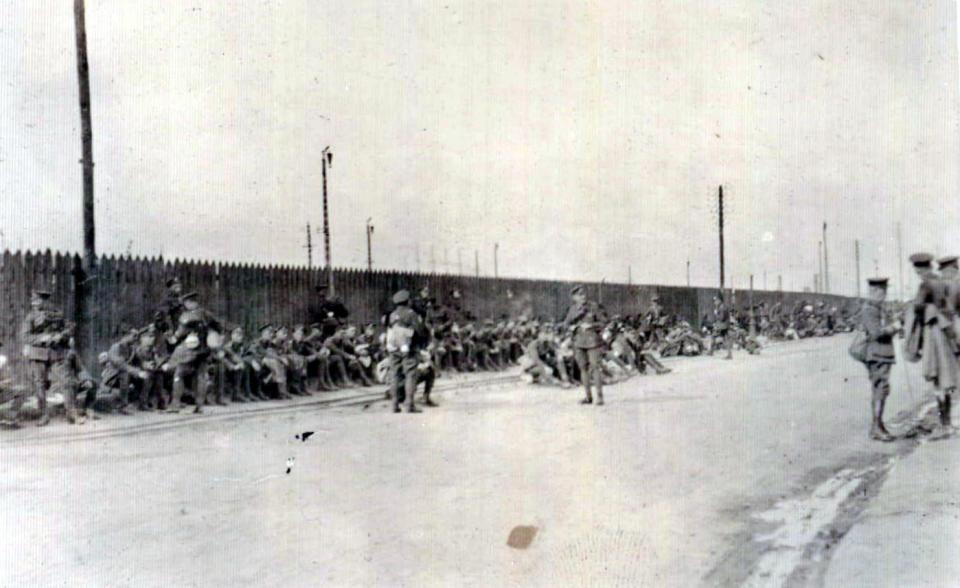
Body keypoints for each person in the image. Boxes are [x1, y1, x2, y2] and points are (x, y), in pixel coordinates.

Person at [906, 252, 958, 438]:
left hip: (933, 333)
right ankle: (947, 423)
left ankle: (944, 425)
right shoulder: (944, 282)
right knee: (946, 379)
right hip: (946, 332)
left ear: (921, 268)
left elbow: (918, 307)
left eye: (917, 270)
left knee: (937, 379)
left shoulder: (926, 284)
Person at [18, 290, 83, 426]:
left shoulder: (57, 314)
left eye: (38, 301)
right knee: (40, 384)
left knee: (67, 381)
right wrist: (43, 338)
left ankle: (71, 413)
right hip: (38, 354)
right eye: (33, 301)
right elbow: (25, 336)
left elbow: (71, 327)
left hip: (57, 352)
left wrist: (62, 335)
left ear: (45, 301)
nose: (34, 304)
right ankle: (43, 415)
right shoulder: (31, 317)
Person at [859, 278, 902, 441]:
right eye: (882, 291)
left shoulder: (878, 308)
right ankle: (876, 427)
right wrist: (894, 327)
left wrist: (894, 323)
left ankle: (878, 425)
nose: (885, 295)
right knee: (880, 389)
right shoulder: (869, 309)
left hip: (883, 354)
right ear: (874, 292)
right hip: (877, 355)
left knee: (882, 390)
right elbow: (876, 333)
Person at [562, 285, 608, 405]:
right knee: (583, 369)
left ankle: (600, 397)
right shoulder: (572, 309)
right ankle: (588, 397)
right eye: (579, 295)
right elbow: (565, 324)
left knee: (595, 368)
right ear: (574, 298)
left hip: (593, 342)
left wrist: (592, 326)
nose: (583, 297)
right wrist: (574, 327)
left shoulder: (593, 307)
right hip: (578, 342)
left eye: (583, 294)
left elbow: (604, 322)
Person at [385, 289, 425, 413]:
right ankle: (409, 405)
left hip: (393, 347)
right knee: (410, 375)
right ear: (407, 301)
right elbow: (419, 331)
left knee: (395, 375)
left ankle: (394, 405)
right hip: (409, 347)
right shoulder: (410, 313)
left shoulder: (392, 315)